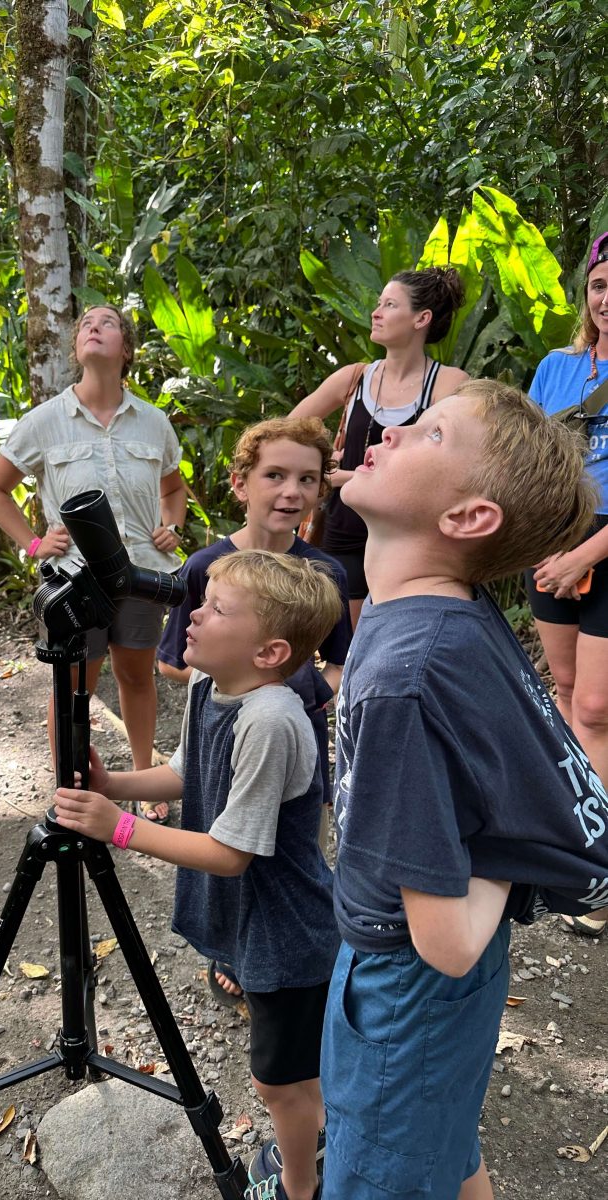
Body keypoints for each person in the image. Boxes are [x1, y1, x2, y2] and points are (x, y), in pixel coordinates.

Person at [322, 379, 608, 1200]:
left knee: (382, 1171)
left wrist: (498, 850)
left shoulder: (402, 676)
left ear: (468, 519)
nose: (402, 430)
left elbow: (445, 941)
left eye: (434, 435)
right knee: (442, 1150)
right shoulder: (449, 612)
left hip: (407, 984)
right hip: (437, 987)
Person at [54, 550, 344, 1200]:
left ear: (268, 652)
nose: (192, 614)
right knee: (294, 1069)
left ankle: (300, 1186)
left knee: (275, 1083)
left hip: (289, 931)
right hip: (251, 919)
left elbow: (230, 852)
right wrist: (114, 784)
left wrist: (121, 827)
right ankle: (324, 1123)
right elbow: (189, 772)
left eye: (215, 609)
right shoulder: (212, 686)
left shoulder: (271, 719)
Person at [157, 416, 351, 1003]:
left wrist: (301, 691)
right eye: (275, 475)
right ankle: (232, 948)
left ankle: (288, 959)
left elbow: (339, 662)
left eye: (308, 479)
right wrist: (234, 675)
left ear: (321, 491)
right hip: (226, 729)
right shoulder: (205, 568)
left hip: (292, 744)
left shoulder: (327, 572)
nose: (292, 491)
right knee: (225, 842)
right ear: (241, 484)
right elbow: (173, 660)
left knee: (292, 854)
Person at [0, 305, 187, 816]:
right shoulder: (45, 421)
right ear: (77, 349)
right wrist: (32, 544)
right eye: (86, 325)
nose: (95, 327)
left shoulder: (153, 423)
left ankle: (143, 781)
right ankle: (72, 786)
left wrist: (172, 525)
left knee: (136, 676)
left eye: (108, 323)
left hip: (141, 573)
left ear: (126, 349)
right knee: (73, 687)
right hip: (74, 580)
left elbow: (174, 487)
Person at [290, 266, 468, 628]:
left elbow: (463, 461)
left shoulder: (448, 384)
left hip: (411, 540)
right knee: (348, 653)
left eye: (389, 304)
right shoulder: (355, 377)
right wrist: (325, 469)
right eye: (379, 303)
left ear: (422, 318)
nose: (376, 312)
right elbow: (284, 433)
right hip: (342, 536)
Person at [524, 230, 608, 937]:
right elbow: (529, 457)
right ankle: (578, 840)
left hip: (604, 541)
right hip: (554, 538)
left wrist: (587, 555)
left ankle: (598, 858)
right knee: (562, 688)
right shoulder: (557, 367)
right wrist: (554, 545)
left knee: (598, 703)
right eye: (601, 285)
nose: (607, 298)